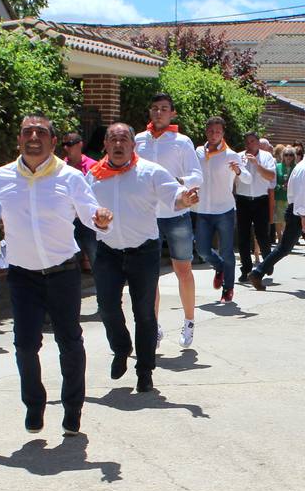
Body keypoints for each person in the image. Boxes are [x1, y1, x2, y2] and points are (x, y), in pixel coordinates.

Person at [0, 114, 110, 436]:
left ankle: (73, 409)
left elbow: (90, 213)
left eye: (41, 132)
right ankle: (34, 405)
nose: (33, 137)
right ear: (19, 139)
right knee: (25, 345)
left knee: (69, 342)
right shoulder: (0, 179)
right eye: (27, 131)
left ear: (53, 141)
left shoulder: (70, 177)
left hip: (63, 272)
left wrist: (100, 219)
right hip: (22, 275)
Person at [87, 122, 199, 393]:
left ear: (132, 145)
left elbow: (175, 196)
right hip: (108, 252)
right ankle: (121, 348)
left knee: (144, 313)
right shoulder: (93, 176)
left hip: (143, 252)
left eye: (124, 139)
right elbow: (81, 210)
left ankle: (145, 370)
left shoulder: (150, 172)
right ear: (105, 144)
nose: (118, 144)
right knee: (107, 307)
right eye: (113, 139)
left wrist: (185, 200)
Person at [135, 93, 202, 348]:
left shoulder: (181, 142)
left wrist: (180, 183)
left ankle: (189, 321)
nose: (159, 113)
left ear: (172, 113)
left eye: (164, 109)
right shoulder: (139, 140)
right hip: (147, 216)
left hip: (176, 214)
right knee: (149, 275)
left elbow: (198, 175)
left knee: (183, 270)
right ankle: (153, 326)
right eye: (155, 108)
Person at [249, 140, 305, 294]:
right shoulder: (303, 170)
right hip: (298, 213)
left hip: (304, 212)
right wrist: (303, 218)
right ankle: (257, 273)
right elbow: (299, 195)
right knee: (285, 248)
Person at [193, 116, 244, 305]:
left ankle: (228, 288)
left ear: (223, 133)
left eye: (218, 132)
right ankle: (220, 267)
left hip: (224, 210)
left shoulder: (231, 155)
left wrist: (238, 171)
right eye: (211, 131)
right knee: (202, 249)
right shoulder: (198, 152)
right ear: (206, 132)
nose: (214, 135)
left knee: (227, 250)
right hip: (203, 209)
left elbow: (245, 177)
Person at [234, 131, 277, 282]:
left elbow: (271, 176)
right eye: (247, 142)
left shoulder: (267, 157)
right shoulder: (238, 157)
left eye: (252, 141)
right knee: (243, 236)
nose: (249, 144)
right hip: (243, 200)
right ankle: (246, 269)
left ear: (258, 143)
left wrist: (256, 165)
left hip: (261, 200)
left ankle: (267, 263)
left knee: (262, 235)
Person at [63, 131, 99, 269]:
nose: (66, 148)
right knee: (71, 263)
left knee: (96, 257)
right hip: (70, 221)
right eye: (64, 144)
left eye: (70, 144)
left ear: (80, 145)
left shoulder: (94, 166)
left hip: (89, 221)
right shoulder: (61, 167)